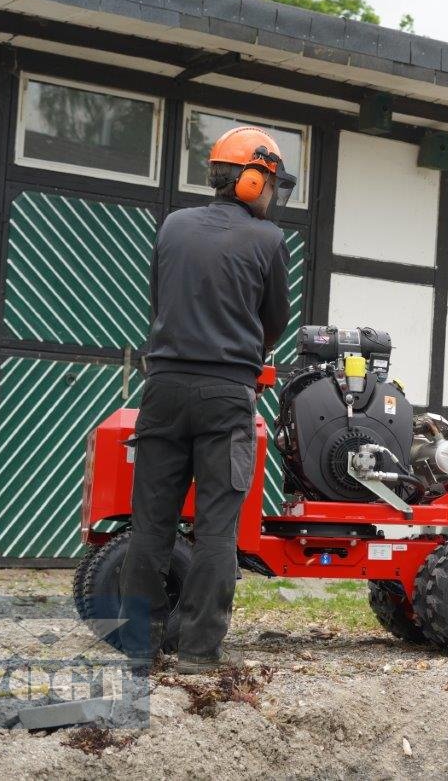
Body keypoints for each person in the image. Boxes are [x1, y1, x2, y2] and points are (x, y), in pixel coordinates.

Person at [119, 126, 296, 674]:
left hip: (164, 390)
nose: (272, 194)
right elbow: (275, 324)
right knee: (217, 529)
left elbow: (159, 301)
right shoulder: (267, 241)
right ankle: (197, 653)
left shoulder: (173, 225)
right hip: (226, 395)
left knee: (150, 525)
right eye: (271, 182)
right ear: (251, 178)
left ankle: (136, 650)